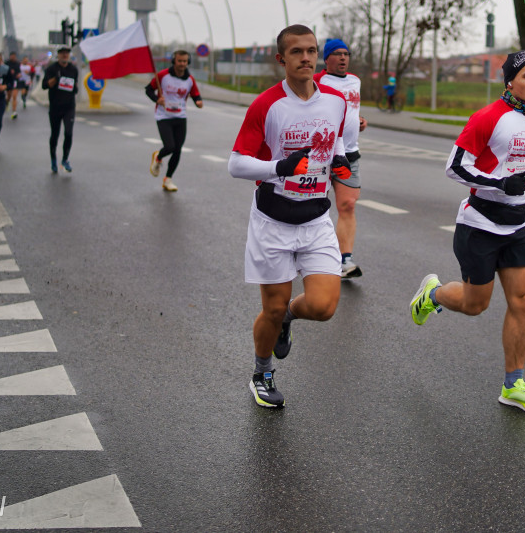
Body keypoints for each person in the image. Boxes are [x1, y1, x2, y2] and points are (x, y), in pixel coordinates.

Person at [409, 50, 525, 414]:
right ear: (510, 81)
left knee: (522, 300)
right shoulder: (487, 118)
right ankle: (432, 294)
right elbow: (455, 167)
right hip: (479, 223)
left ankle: (514, 385)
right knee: (475, 304)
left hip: (518, 224)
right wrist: (498, 183)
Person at [228, 24, 352, 408]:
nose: (307, 58)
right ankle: (262, 372)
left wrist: (341, 161)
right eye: (297, 52)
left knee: (323, 307)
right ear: (281, 60)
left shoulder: (335, 100)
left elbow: (338, 141)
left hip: (316, 220)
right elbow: (236, 164)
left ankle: (288, 321)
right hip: (274, 220)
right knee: (273, 305)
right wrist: (279, 168)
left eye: (312, 51)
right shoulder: (266, 105)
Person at [314, 38, 367, 278]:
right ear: (326, 59)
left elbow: (352, 110)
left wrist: (359, 121)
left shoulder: (355, 81)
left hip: (349, 154)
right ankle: (304, 251)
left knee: (348, 205)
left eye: (346, 53)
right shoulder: (317, 81)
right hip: (321, 156)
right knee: (312, 206)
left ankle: (345, 260)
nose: (343, 58)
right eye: (337, 54)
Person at [146, 50, 203, 192]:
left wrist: (198, 102)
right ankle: (158, 156)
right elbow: (148, 89)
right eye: (180, 61)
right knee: (170, 146)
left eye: (185, 61)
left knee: (178, 150)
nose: (182, 64)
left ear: (188, 62)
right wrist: (156, 99)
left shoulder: (189, 79)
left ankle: (168, 179)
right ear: (174, 61)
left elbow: (196, 95)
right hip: (163, 116)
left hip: (180, 117)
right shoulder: (162, 75)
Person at [42, 47, 79, 173]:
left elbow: (75, 88)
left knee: (68, 133)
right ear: (58, 55)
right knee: (55, 134)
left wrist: (74, 86)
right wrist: (54, 80)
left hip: (69, 107)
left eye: (67, 54)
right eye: (62, 53)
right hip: (55, 107)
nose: (65, 55)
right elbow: (44, 85)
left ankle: (65, 159)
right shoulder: (52, 68)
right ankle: (53, 159)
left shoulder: (73, 69)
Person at [6, 51, 23, 119]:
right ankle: (6, 102)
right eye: (12, 56)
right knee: (9, 96)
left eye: (14, 56)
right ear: (10, 56)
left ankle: (14, 111)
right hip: (9, 81)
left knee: (14, 96)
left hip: (15, 81)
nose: (13, 57)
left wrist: (19, 75)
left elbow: (19, 72)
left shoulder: (18, 63)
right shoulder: (7, 63)